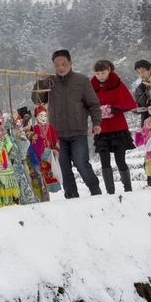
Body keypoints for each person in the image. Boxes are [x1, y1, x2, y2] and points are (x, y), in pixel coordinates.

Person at [32, 49, 103, 198]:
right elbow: (38, 100)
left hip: (78, 131)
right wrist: (39, 82)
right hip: (57, 133)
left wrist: (96, 123)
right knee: (63, 166)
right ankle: (71, 195)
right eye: (57, 64)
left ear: (71, 63)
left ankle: (95, 190)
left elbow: (93, 104)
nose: (61, 67)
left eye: (64, 64)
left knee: (81, 163)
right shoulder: (49, 81)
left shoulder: (81, 80)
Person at [91, 60, 137, 194]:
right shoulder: (91, 86)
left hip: (118, 127)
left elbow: (127, 102)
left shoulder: (117, 84)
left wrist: (113, 110)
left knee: (120, 160)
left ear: (109, 70)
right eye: (97, 73)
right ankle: (110, 191)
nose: (100, 75)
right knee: (104, 161)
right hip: (101, 128)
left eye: (103, 72)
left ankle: (128, 189)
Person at [26, 104, 62, 194]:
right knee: (42, 172)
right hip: (41, 154)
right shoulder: (35, 128)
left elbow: (56, 140)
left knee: (52, 171)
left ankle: (54, 187)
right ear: (37, 117)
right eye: (41, 116)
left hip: (50, 154)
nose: (43, 118)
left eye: (45, 115)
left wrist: (56, 150)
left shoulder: (50, 127)